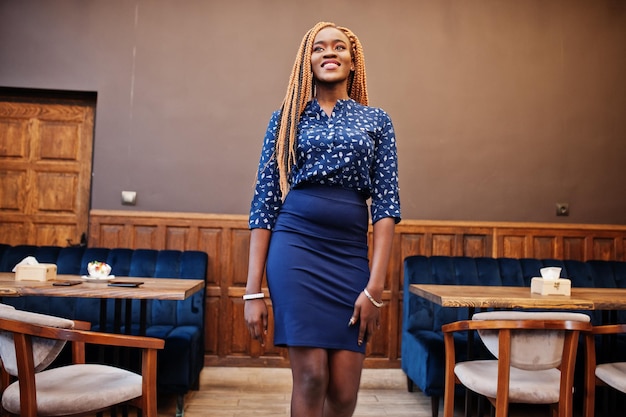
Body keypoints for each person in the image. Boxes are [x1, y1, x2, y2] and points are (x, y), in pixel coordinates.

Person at [244, 21, 401, 417]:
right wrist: (252, 291)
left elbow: (385, 207)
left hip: (349, 256)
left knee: (345, 391)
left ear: (353, 60)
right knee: (311, 377)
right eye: (319, 48)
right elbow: (264, 202)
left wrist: (375, 287)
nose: (329, 53)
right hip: (294, 248)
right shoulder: (285, 120)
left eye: (339, 47)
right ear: (306, 61)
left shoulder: (377, 121)